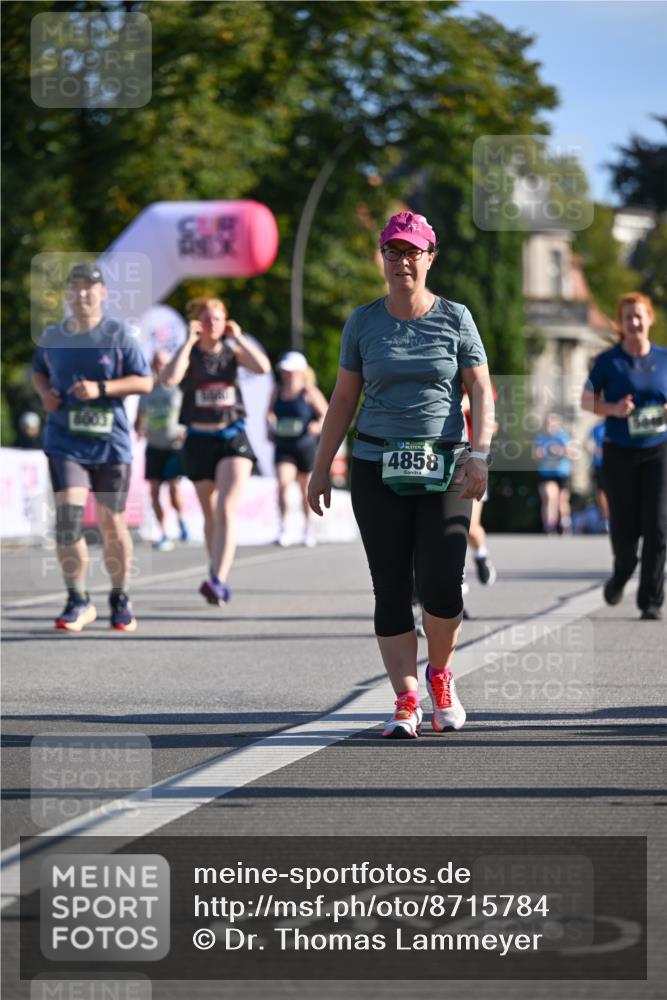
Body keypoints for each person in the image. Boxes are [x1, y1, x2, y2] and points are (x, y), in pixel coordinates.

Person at [307, 211, 494, 739]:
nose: (403, 261)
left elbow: (480, 390)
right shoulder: (363, 322)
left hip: (446, 465)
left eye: (413, 252)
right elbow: (344, 398)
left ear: (430, 258)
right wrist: (321, 469)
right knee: (390, 588)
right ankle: (406, 699)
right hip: (374, 464)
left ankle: (440, 675)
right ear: (382, 258)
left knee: (440, 585)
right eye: (394, 252)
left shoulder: (456, 318)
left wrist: (480, 454)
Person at [31, 263, 153, 632]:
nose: (82, 294)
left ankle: (119, 596)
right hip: (65, 441)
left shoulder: (118, 334)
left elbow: (145, 381)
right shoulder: (53, 335)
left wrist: (102, 389)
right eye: (76, 287)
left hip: (110, 444)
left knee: (111, 523)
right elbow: (38, 370)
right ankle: (78, 599)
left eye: (89, 288)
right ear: (68, 294)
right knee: (67, 520)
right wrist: (45, 394)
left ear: (103, 294)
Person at [160, 296, 271, 606]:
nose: (213, 324)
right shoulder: (188, 354)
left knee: (225, 509)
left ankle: (217, 580)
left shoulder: (233, 352)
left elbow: (262, 367)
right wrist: (186, 342)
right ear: (196, 322)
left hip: (232, 436)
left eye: (218, 319)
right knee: (210, 514)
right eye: (206, 319)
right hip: (198, 439)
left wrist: (238, 338)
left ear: (227, 323)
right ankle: (216, 571)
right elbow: (168, 379)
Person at [582, 292, 667, 621]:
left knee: (658, 528)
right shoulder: (609, 361)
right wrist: (613, 409)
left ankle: (651, 601)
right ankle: (621, 574)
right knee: (625, 532)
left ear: (650, 319)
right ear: (622, 323)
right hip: (619, 453)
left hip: (658, 450)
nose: (633, 322)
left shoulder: (663, 358)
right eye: (627, 317)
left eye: (639, 316)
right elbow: (586, 401)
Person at [267, 351, 328, 548]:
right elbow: (268, 413)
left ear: (300, 371)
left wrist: (317, 426)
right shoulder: (277, 391)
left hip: (304, 446)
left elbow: (327, 415)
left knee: (305, 489)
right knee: (283, 483)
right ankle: (283, 528)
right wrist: (270, 424)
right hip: (283, 445)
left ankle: (307, 529)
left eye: (291, 371)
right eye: (284, 371)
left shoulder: (309, 392)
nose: (287, 374)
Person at [135, 349, 189, 551]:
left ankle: (181, 519)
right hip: (154, 446)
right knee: (155, 492)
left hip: (174, 446)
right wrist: (138, 429)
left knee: (174, 489)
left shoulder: (178, 390)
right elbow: (139, 418)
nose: (160, 367)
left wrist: (185, 430)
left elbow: (188, 414)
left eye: (164, 363)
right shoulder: (147, 391)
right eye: (157, 363)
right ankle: (164, 532)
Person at [462, 383, 496, 585]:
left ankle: (481, 555)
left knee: (469, 527)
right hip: (440, 461)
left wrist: (466, 405)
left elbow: (493, 421)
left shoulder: (477, 381)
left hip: (471, 461)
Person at [533, 413, 576, 534]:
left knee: (562, 500)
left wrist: (560, 451)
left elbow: (571, 454)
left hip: (562, 472)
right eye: (547, 423)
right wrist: (539, 453)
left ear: (557, 424)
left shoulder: (563, 437)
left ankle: (565, 523)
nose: (549, 425)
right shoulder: (541, 438)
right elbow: (536, 455)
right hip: (547, 473)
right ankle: (549, 524)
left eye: (552, 423)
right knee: (549, 496)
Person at [588, 419, 609, 530]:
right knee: (601, 492)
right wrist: (593, 449)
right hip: (599, 465)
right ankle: (606, 519)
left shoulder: (618, 424)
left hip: (616, 465)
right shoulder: (597, 427)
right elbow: (587, 443)